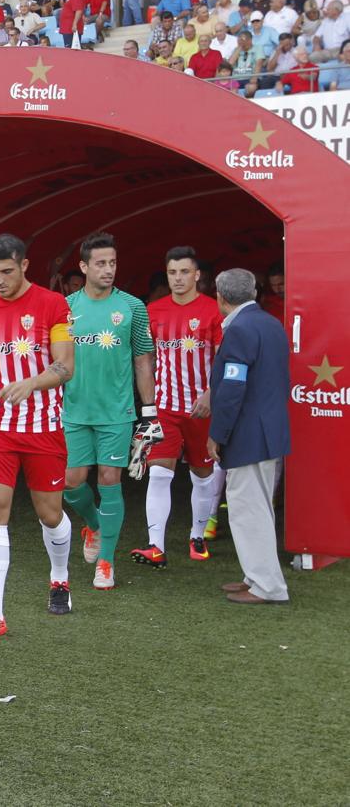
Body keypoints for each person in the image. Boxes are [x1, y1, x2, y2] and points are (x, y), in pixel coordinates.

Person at [0, 234, 75, 640]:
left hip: (43, 427)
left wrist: (33, 383)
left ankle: (59, 576)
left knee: (50, 514)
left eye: (6, 271)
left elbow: (65, 367)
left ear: (25, 265)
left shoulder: (52, 304)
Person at [60, 233, 157, 592]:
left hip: (117, 412)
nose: (108, 270)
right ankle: (95, 526)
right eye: (100, 263)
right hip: (74, 410)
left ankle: (106, 562)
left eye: (112, 263)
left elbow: (143, 360)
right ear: (84, 267)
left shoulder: (132, 307)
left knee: (109, 480)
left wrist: (149, 414)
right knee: (71, 482)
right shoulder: (66, 306)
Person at [130, 246, 224, 569]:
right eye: (173, 273)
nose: (178, 278)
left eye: (185, 272)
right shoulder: (152, 311)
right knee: (158, 474)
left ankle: (197, 535)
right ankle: (155, 545)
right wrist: (148, 405)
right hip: (165, 408)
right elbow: (144, 359)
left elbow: (226, 359)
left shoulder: (213, 311)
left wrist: (212, 393)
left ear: (197, 275)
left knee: (202, 474)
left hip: (203, 409)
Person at [208, 268, 291, 605]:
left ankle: (266, 586)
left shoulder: (240, 330)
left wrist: (217, 434)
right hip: (268, 429)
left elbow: (232, 389)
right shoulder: (270, 323)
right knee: (256, 508)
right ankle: (255, 577)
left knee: (248, 509)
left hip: (248, 434)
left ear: (221, 297)